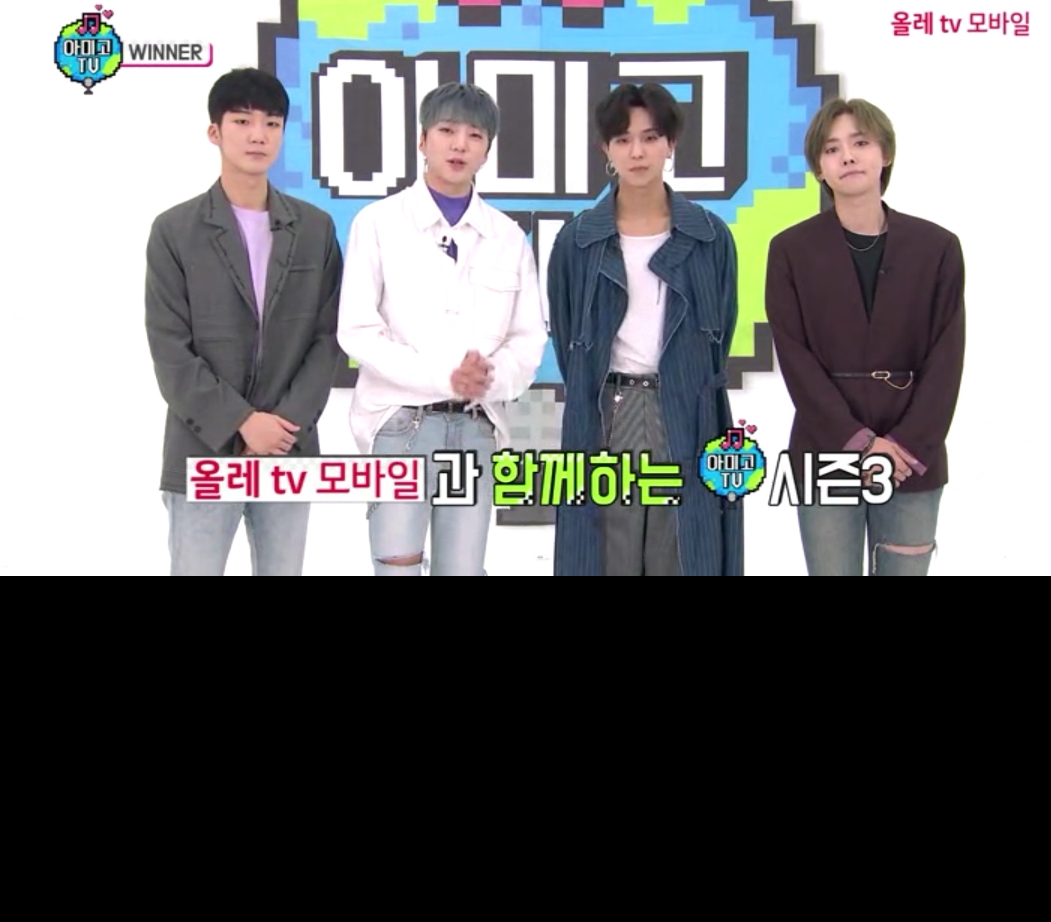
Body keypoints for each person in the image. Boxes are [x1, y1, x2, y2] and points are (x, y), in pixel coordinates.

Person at [337, 83, 548, 576]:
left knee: (463, 570)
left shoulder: (507, 237)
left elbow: (528, 339)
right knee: (397, 567)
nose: (459, 145)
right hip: (399, 426)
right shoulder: (378, 223)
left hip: (476, 427)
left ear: (487, 150)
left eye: (474, 135)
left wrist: (487, 378)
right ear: (422, 140)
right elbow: (357, 330)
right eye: (447, 131)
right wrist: (443, 377)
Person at [145, 68, 343, 576]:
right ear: (215, 131)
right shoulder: (175, 231)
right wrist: (242, 422)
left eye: (272, 124)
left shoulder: (315, 229)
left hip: (287, 449)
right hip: (203, 449)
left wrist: (280, 426)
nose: (258, 135)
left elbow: (328, 339)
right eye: (242, 121)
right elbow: (170, 351)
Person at [546, 81, 743, 578]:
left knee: (683, 549)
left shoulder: (709, 236)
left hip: (687, 407)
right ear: (605, 149)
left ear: (671, 144)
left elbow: (720, 333)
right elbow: (569, 340)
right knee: (606, 551)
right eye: (623, 139)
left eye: (651, 137)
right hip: (609, 409)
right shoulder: (578, 240)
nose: (637, 152)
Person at [765, 98, 965, 577]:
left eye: (860, 143)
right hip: (823, 444)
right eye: (832, 149)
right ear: (819, 167)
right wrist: (857, 442)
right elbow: (795, 357)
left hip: (911, 454)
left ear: (885, 153)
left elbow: (946, 357)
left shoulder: (937, 247)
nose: (848, 157)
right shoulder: (790, 249)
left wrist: (903, 446)